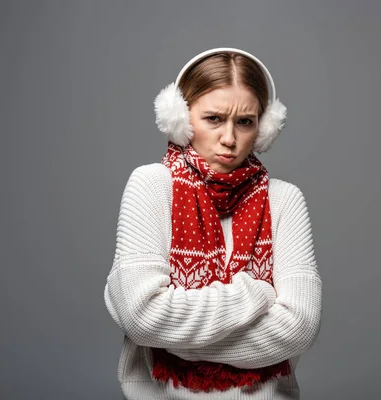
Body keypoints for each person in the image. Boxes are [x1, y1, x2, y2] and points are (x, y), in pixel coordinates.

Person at [104, 47, 323, 400]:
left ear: (263, 128)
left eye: (245, 121)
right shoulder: (151, 185)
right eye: (214, 119)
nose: (229, 139)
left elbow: (299, 328)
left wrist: (176, 339)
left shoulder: (284, 200)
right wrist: (254, 294)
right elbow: (142, 316)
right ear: (181, 118)